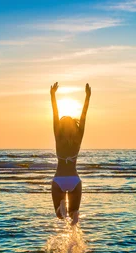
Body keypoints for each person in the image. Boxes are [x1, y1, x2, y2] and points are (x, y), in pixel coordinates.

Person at [50, 82, 91, 225]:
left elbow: (55, 113)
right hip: (75, 180)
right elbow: (84, 115)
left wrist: (52, 94)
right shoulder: (78, 138)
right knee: (74, 213)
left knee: (59, 216)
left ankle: (60, 207)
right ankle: (74, 214)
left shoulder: (58, 136)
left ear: (60, 127)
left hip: (59, 180)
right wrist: (88, 96)